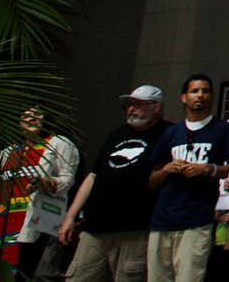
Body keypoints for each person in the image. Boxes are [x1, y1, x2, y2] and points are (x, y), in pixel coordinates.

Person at [59, 84, 172, 282]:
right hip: (95, 227)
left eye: (138, 104)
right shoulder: (116, 134)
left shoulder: (168, 133)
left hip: (136, 229)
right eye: (129, 105)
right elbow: (93, 176)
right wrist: (70, 216)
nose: (131, 109)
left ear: (156, 107)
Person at [0, 107, 80, 278]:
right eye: (27, 115)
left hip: (32, 223)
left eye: (37, 115)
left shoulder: (58, 143)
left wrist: (45, 183)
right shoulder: (9, 152)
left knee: (22, 273)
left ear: (46, 120)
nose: (31, 118)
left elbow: (67, 180)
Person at [148, 74, 229, 282]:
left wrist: (207, 169)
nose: (200, 95)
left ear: (212, 97)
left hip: (197, 219)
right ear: (183, 98)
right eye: (194, 91)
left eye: (205, 91)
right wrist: (167, 169)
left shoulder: (222, 129)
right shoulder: (171, 132)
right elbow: (151, 180)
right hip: (163, 219)